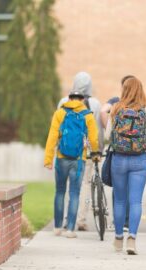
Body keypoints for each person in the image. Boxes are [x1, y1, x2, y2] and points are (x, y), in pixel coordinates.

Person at [105, 76, 146, 255]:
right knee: (135, 201)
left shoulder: (115, 109)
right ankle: (132, 240)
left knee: (119, 200)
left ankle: (118, 237)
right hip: (140, 159)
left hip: (119, 159)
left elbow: (107, 136)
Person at [44, 87, 100, 238]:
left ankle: (57, 228)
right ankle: (70, 230)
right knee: (75, 193)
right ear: (82, 100)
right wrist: (95, 153)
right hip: (78, 159)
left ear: (69, 99)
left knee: (60, 191)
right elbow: (94, 138)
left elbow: (52, 136)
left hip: (61, 158)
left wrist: (48, 159)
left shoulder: (60, 113)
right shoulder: (88, 115)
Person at [56, 72, 104, 232]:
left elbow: (58, 128)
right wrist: (98, 150)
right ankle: (81, 219)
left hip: (64, 153)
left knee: (65, 187)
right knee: (84, 185)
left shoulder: (64, 101)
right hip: (87, 153)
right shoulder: (95, 104)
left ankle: (65, 220)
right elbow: (96, 131)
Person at [100, 75, 134, 231]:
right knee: (131, 189)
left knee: (118, 188)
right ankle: (128, 223)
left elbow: (102, 111)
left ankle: (117, 222)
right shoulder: (140, 105)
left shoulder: (115, 102)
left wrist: (111, 132)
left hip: (117, 152)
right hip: (135, 153)